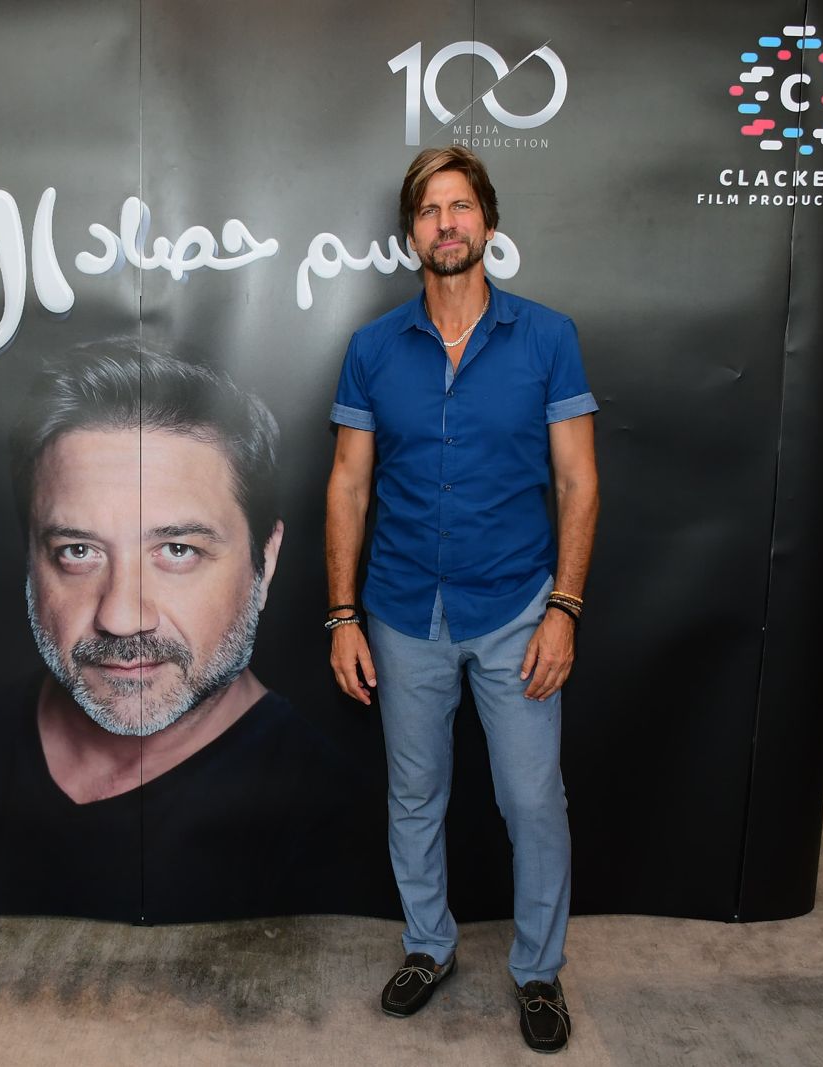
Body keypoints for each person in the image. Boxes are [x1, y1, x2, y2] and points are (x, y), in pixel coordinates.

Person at [325, 146, 599, 1053]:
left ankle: (538, 970)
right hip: (404, 611)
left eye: (461, 206)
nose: (446, 224)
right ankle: (428, 946)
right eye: (429, 210)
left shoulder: (548, 337)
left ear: (488, 222)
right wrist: (342, 616)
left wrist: (564, 607)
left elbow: (579, 481)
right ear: (411, 234)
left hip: (518, 609)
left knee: (533, 800)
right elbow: (348, 486)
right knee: (415, 794)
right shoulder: (373, 349)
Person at [0, 341, 381, 922]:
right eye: (78, 551)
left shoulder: (339, 829)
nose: (121, 616)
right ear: (31, 562)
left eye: (178, 550)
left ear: (265, 561)